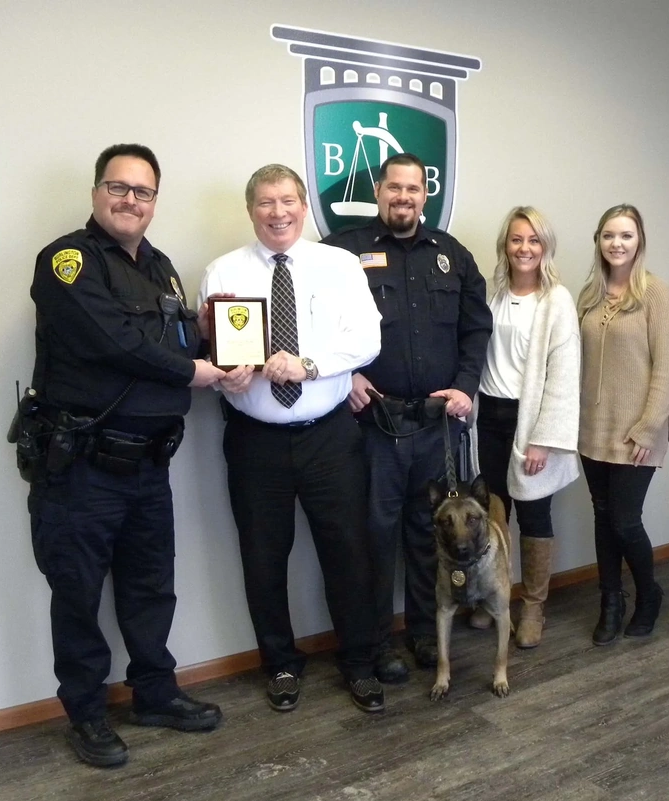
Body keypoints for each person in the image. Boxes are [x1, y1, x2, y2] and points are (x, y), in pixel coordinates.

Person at [26, 144, 225, 768]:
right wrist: (198, 371)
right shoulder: (67, 261)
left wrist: (223, 345)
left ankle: (154, 694)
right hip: (82, 466)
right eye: (119, 187)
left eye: (143, 192)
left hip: (148, 465)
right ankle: (85, 714)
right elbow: (114, 342)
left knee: (150, 587)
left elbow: (180, 333)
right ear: (96, 193)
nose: (130, 200)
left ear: (155, 202)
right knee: (78, 593)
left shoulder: (162, 267)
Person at [196, 164, 386, 714]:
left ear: (304, 207)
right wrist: (223, 371)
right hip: (254, 441)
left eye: (287, 201)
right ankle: (279, 663)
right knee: (262, 557)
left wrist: (309, 364)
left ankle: (360, 663)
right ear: (250, 209)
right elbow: (211, 348)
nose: (277, 212)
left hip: (329, 437)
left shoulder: (340, 265)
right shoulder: (222, 272)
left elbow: (368, 340)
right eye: (264, 203)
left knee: (349, 552)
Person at [322, 153, 492, 682]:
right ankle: (376, 644)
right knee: (373, 536)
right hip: (376, 426)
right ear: (379, 190)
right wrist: (343, 376)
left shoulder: (452, 254)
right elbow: (314, 321)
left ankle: (423, 631)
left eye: (413, 189)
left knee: (430, 535)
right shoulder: (343, 253)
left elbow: (476, 328)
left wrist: (466, 388)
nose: (404, 197)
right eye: (394, 187)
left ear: (425, 194)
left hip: (439, 424)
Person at [467, 207, 581, 648]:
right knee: (495, 514)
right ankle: (496, 600)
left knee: (534, 514)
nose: (525, 248)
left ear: (545, 247)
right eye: (517, 239)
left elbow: (563, 375)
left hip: (530, 423)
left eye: (534, 240)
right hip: (490, 419)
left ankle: (533, 607)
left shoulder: (557, 301)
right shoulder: (493, 296)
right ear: (505, 246)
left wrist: (543, 439)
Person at [577, 204, 669, 645]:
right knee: (603, 517)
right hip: (591, 430)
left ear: (639, 241)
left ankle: (649, 595)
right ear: (598, 241)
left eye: (626, 235)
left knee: (624, 520)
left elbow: (668, 368)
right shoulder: (588, 295)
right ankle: (611, 601)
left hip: (637, 432)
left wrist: (649, 427)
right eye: (608, 236)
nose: (617, 244)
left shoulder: (656, 294)